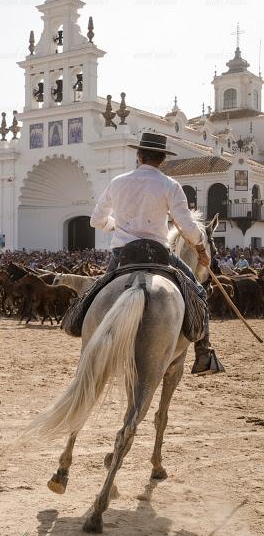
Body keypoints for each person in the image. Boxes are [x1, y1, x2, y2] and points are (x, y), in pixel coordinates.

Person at [90, 131, 224, 376]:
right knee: (199, 292)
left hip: (122, 255)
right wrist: (202, 250)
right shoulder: (170, 185)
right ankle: (203, 353)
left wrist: (115, 225)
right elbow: (187, 227)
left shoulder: (117, 182)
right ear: (162, 159)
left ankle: (81, 329)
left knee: (95, 293)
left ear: (138, 155)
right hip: (159, 254)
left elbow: (96, 220)